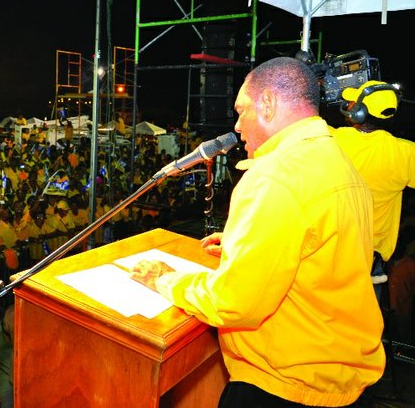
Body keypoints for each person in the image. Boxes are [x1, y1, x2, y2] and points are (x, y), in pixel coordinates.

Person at [130, 57, 385, 407]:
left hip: (283, 386)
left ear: (267, 103)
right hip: (340, 376)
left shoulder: (274, 176)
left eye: (241, 111)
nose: (237, 126)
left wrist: (166, 280)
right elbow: (322, 249)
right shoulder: (335, 158)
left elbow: (234, 303)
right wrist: (246, 243)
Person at [330, 80, 415, 289]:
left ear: (359, 112)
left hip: (329, 253)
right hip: (371, 265)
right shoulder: (405, 153)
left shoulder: (329, 139)